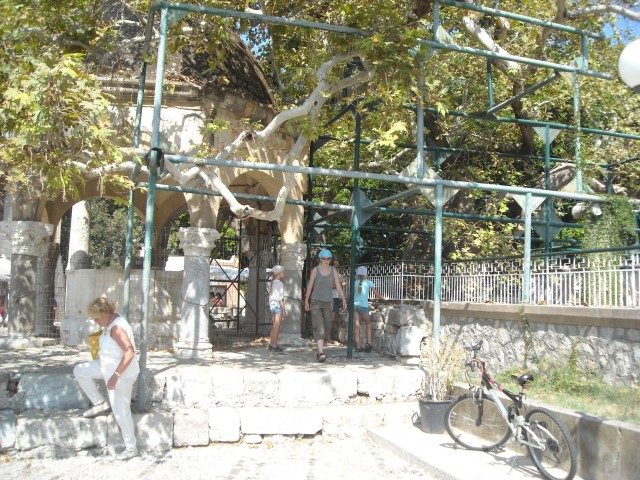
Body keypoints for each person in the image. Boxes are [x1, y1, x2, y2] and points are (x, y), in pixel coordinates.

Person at [73, 297, 140, 460]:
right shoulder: (111, 322)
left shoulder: (116, 328)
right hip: (106, 366)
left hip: (121, 375)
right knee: (80, 370)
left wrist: (115, 377)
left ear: (105, 314)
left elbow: (130, 352)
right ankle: (99, 403)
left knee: (121, 412)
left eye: (97, 318)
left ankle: (131, 448)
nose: (95, 321)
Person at [304, 249, 347, 362]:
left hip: (329, 302)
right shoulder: (315, 270)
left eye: (328, 259)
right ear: (320, 259)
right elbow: (310, 286)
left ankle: (321, 347)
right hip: (316, 301)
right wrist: (306, 300)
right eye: (324, 259)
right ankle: (320, 352)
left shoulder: (333, 270)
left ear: (330, 260)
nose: (326, 261)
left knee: (327, 326)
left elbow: (338, 285)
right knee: (320, 327)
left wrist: (343, 298)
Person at [353, 266, 386, 353]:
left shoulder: (354, 282)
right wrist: (384, 299)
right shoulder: (368, 282)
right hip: (363, 306)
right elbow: (376, 294)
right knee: (368, 324)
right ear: (365, 274)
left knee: (357, 325)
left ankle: (358, 346)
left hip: (354, 305)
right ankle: (368, 344)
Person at [268, 265, 286, 352]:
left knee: (274, 325)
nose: (284, 273)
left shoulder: (271, 283)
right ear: (279, 273)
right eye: (283, 272)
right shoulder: (280, 284)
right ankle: (274, 345)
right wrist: (284, 310)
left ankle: (271, 344)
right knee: (277, 326)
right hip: (277, 305)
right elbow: (280, 298)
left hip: (271, 305)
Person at [328, 258, 345, 345]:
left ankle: (328, 337)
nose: (338, 261)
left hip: (335, 297)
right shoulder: (330, 271)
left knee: (332, 318)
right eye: (336, 260)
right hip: (332, 297)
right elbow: (330, 286)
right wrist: (341, 284)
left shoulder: (333, 271)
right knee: (330, 318)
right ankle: (327, 338)